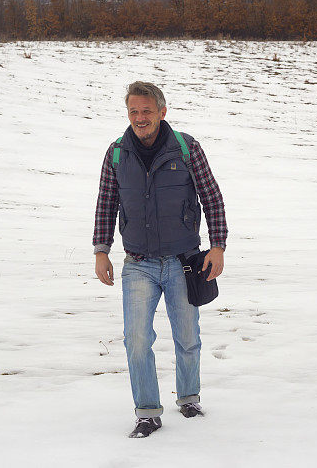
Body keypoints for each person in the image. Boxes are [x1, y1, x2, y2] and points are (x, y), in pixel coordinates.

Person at [93, 81, 228, 438]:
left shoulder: (186, 148)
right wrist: (101, 250)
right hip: (137, 262)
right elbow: (106, 203)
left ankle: (189, 398)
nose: (140, 118)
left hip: (184, 261)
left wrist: (218, 245)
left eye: (146, 111)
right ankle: (148, 412)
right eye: (133, 111)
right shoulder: (117, 152)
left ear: (162, 112)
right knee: (136, 339)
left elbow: (212, 197)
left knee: (187, 336)